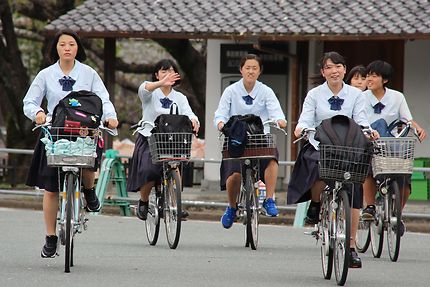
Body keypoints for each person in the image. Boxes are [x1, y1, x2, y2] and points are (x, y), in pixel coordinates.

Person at [23, 29, 118, 258]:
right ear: (56, 48)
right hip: (55, 131)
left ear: (78, 48)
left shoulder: (89, 73)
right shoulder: (46, 74)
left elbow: (103, 99)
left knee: (87, 162)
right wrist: (36, 112)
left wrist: (110, 116)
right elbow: (29, 101)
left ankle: (89, 190)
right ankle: (50, 237)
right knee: (51, 188)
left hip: (84, 128)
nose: (67, 48)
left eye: (72, 44)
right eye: (62, 44)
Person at [287, 51, 378, 268]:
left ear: (344, 70)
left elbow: (362, 121)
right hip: (321, 144)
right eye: (329, 67)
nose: (334, 71)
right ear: (323, 72)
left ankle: (352, 247)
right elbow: (305, 119)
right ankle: (316, 204)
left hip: (348, 147)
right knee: (318, 166)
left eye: (338, 66)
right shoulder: (314, 95)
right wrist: (301, 128)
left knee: (355, 188)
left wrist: (368, 131)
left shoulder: (356, 95)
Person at [214, 54, 287, 228]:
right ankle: (232, 207)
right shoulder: (231, 91)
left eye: (255, 68)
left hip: (260, 137)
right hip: (236, 137)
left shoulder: (266, 91)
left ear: (260, 71)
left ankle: (269, 199)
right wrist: (220, 123)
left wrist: (279, 120)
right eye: (247, 67)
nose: (251, 71)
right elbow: (220, 114)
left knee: (272, 159)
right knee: (234, 173)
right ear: (241, 70)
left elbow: (276, 112)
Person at [127, 59, 200, 221]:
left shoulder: (180, 97)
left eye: (171, 71)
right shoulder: (151, 93)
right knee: (149, 170)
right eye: (163, 71)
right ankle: (144, 201)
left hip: (172, 139)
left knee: (175, 165)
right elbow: (143, 89)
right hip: (150, 137)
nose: (168, 75)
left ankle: (176, 203)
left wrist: (194, 120)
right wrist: (161, 83)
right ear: (156, 74)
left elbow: (189, 113)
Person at [361, 60, 426, 235]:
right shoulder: (361, 97)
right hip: (369, 142)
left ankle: (398, 213)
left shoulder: (397, 97)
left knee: (404, 176)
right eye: (368, 75)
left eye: (374, 76)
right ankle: (370, 207)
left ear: (385, 80)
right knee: (367, 167)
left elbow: (407, 119)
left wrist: (417, 128)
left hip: (391, 144)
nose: (369, 79)